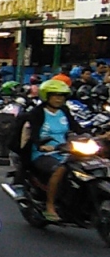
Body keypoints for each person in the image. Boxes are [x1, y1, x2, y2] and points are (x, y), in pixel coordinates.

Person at [18, 79, 80, 222]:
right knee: (60, 169)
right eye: (56, 96)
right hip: (42, 153)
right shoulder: (37, 113)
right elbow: (33, 134)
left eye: (62, 96)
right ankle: (50, 205)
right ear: (46, 96)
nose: (59, 99)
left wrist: (95, 135)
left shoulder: (64, 111)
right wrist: (41, 145)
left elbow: (76, 127)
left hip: (65, 150)